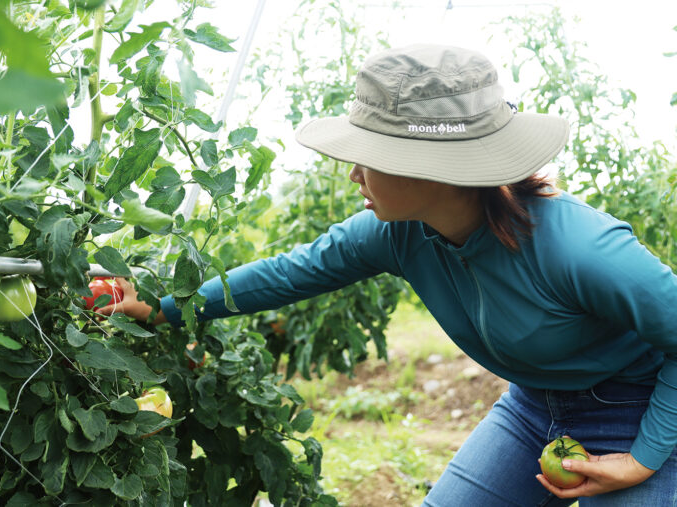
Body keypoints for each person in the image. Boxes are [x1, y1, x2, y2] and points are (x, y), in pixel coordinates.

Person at [97, 44, 677, 506]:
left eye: (369, 156)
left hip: (645, 406)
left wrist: (644, 457)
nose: (353, 174)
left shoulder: (580, 249)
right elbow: (287, 274)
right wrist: (164, 307)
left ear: (433, 169)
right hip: (534, 408)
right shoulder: (394, 233)